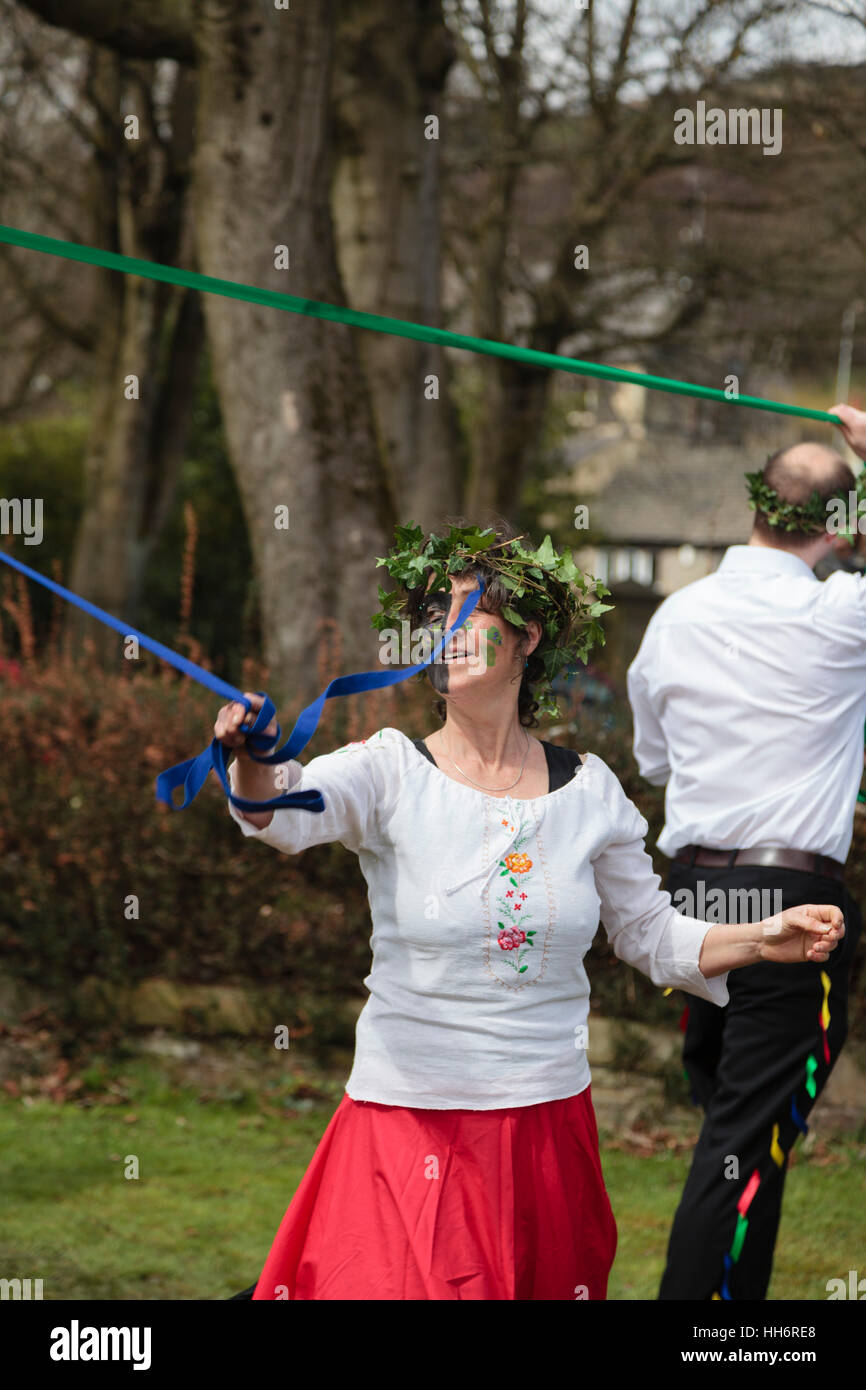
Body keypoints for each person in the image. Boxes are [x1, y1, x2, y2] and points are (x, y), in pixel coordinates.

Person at [217, 523, 843, 1302]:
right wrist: (251, 755)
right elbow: (283, 812)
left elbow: (649, 933)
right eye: (432, 618)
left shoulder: (589, 789)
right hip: (409, 1120)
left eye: (465, 613)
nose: (443, 633)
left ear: (527, 637)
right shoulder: (386, 770)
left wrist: (761, 937)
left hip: (546, 1129)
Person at [627, 404, 866, 1301]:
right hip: (787, 905)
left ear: (756, 506)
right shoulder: (843, 613)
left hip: (690, 900)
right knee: (743, 1146)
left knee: (734, 1134)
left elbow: (656, 760)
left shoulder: (675, 618)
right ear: (838, 528)